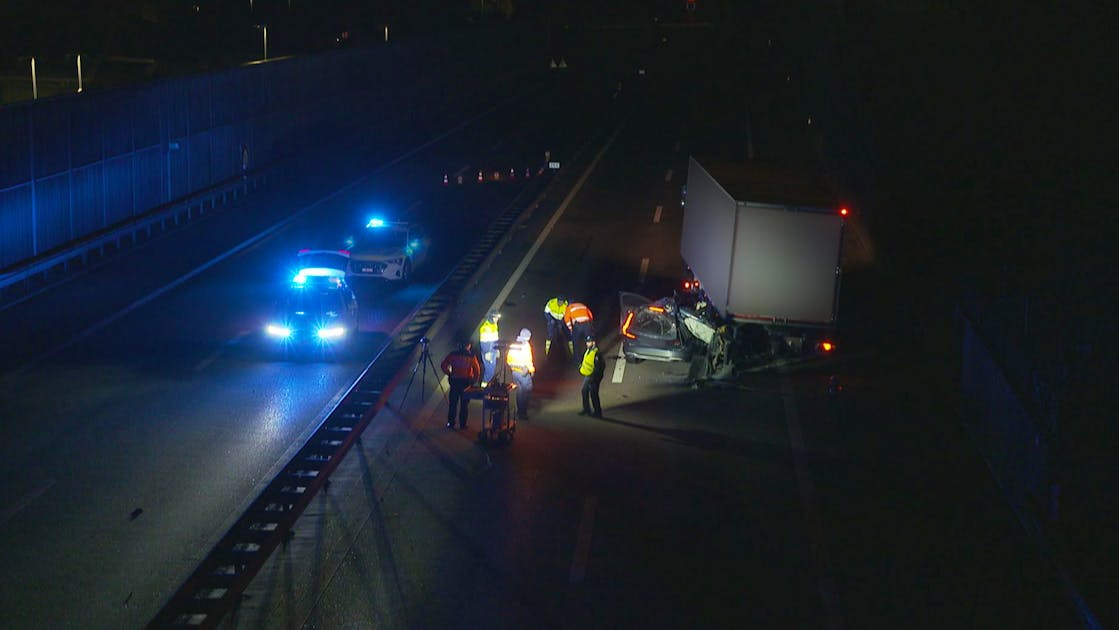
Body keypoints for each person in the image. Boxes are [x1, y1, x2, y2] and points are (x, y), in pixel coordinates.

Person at [440, 340, 481, 429]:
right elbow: (477, 371)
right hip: (466, 383)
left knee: (453, 403)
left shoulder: (453, 354)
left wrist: (449, 373)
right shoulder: (471, 356)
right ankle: (463, 424)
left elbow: (443, 365)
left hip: (454, 381)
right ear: (468, 346)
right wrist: (474, 381)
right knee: (464, 405)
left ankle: (451, 423)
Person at [506, 328, 535, 420]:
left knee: (519, 391)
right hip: (523, 372)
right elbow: (528, 360)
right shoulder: (526, 346)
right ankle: (523, 412)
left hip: (514, 371)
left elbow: (508, 359)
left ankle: (519, 411)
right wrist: (531, 370)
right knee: (527, 390)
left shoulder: (513, 345)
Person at [578, 335, 605, 418]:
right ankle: (587, 409)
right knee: (584, 391)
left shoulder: (596, 354)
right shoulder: (588, 350)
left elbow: (600, 367)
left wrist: (594, 377)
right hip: (588, 375)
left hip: (593, 377)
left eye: (589, 342)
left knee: (593, 394)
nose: (587, 343)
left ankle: (598, 412)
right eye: (587, 342)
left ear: (593, 343)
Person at [478, 310, 501, 386]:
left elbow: (495, 340)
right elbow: (483, 342)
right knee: (489, 371)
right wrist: (486, 353)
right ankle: (483, 387)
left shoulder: (494, 325)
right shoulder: (486, 328)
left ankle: (486, 386)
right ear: (492, 317)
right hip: (488, 352)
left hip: (493, 351)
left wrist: (497, 350)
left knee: (492, 370)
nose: (497, 319)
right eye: (496, 317)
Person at [543, 294, 569, 359]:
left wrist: (562, 322)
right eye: (559, 301)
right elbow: (546, 312)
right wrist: (550, 320)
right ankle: (547, 351)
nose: (560, 303)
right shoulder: (551, 303)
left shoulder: (566, 305)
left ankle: (569, 351)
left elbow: (568, 315)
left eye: (562, 302)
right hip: (552, 318)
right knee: (550, 335)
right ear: (557, 300)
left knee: (564, 333)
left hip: (561, 319)